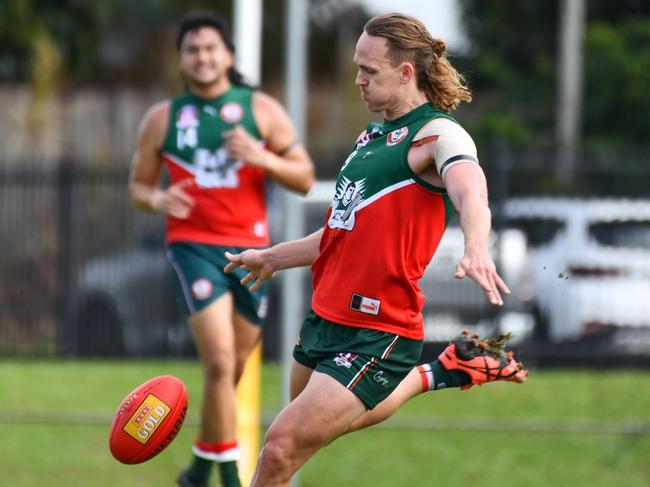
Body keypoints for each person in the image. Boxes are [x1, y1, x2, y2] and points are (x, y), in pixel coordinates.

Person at [224, 12, 528, 486]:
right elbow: (338, 230)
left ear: (407, 73)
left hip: (377, 329)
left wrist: (475, 244)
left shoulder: (437, 134)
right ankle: (444, 370)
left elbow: (471, 188)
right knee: (304, 441)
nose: (358, 81)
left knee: (280, 448)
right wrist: (273, 256)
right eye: (357, 68)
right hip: (325, 318)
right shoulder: (372, 138)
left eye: (370, 71)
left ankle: (439, 371)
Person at [128, 11, 315, 487]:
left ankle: (197, 468)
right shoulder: (163, 118)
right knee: (218, 361)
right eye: (192, 49)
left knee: (228, 373)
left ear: (227, 55)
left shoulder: (259, 110)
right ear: (182, 59)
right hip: (191, 248)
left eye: (211, 48)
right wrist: (157, 198)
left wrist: (262, 157)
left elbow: (304, 177)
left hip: (251, 253)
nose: (202, 57)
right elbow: (138, 186)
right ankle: (231, 477)